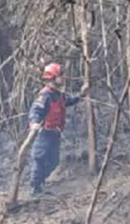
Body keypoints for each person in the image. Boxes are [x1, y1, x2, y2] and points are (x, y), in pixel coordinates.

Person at [25, 62, 89, 195]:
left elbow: (68, 101)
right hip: (44, 133)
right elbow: (35, 111)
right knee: (40, 159)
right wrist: (34, 123)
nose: (63, 77)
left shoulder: (58, 94)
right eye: (60, 75)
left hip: (55, 134)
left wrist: (81, 95)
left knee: (54, 161)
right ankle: (34, 188)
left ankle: (41, 183)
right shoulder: (45, 96)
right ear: (53, 78)